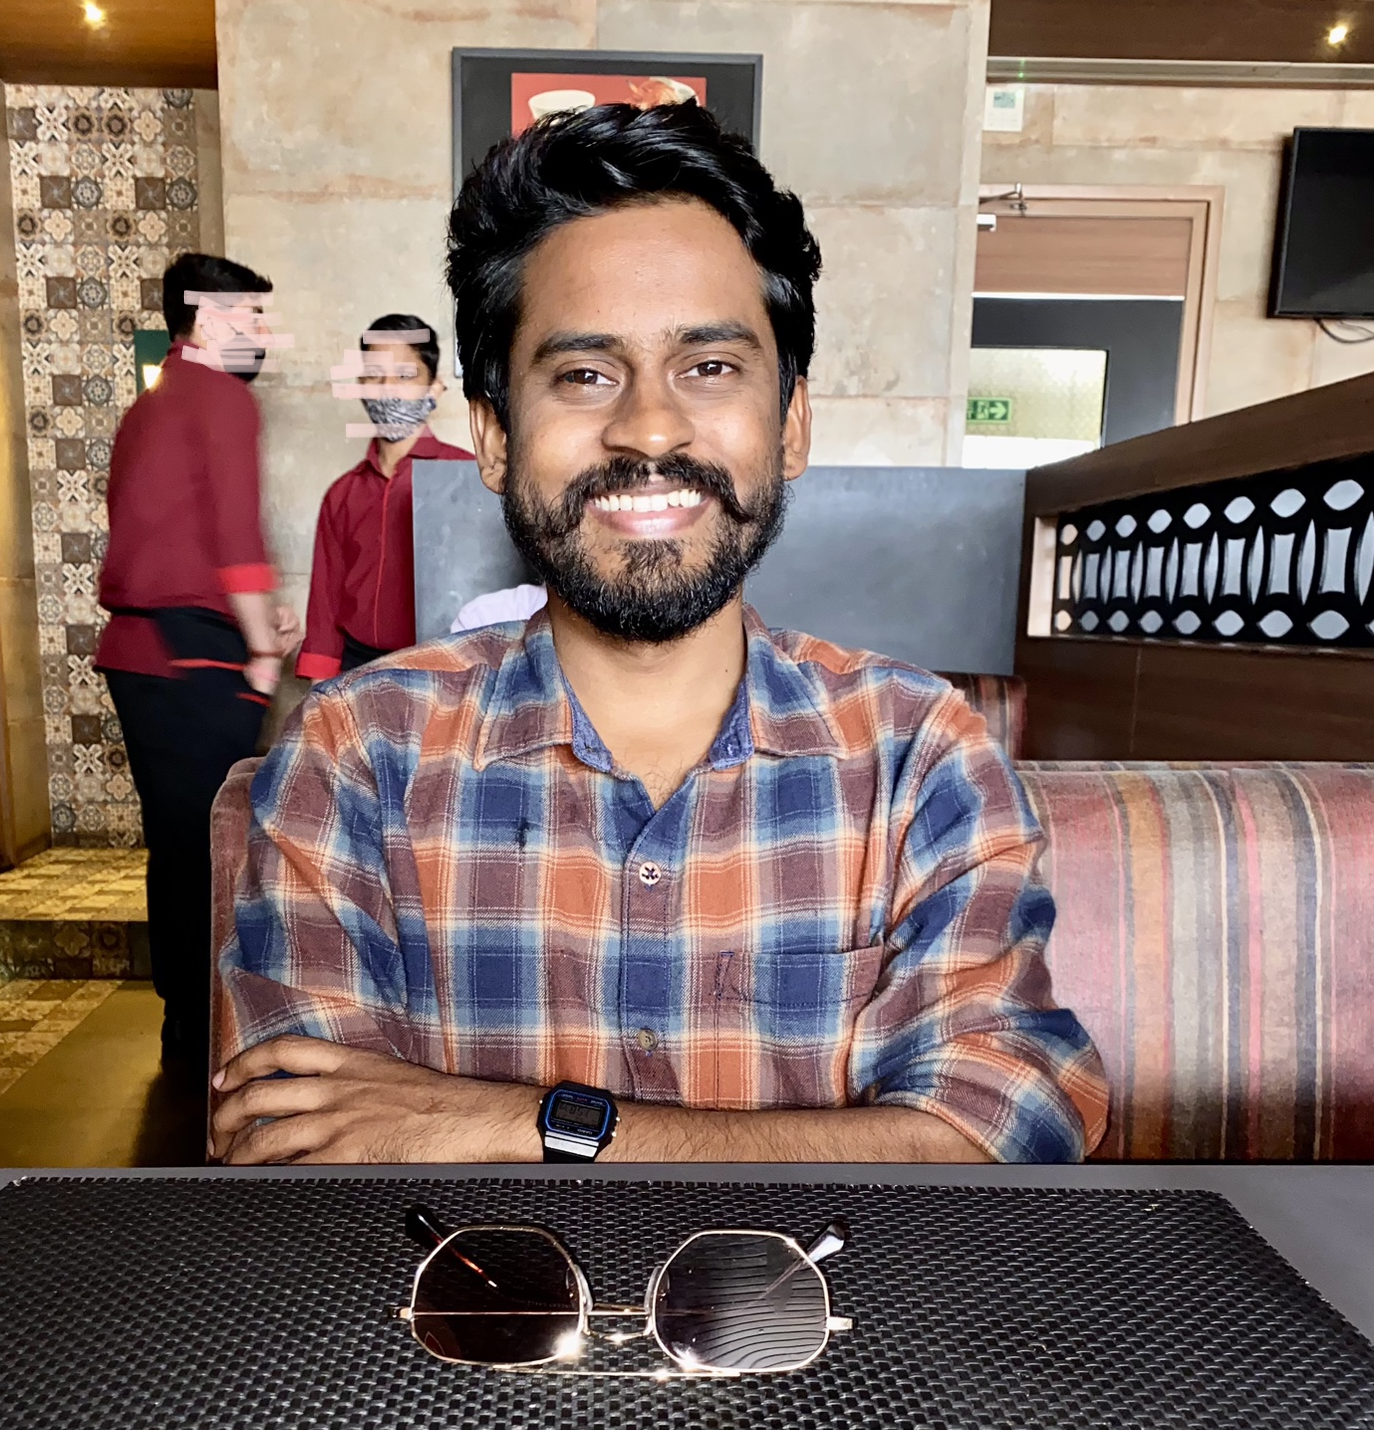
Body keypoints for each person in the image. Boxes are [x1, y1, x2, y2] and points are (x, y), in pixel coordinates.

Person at [212, 103, 1107, 1167]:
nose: (648, 427)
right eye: (584, 375)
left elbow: (1005, 1127)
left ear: (791, 424)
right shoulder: (356, 753)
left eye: (710, 367)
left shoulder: (918, 752)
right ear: (494, 437)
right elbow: (299, 1149)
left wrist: (520, 1123)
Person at [95, 250, 301, 1074]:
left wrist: (251, 617)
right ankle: (214, 1031)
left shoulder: (150, 403)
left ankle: (183, 1021)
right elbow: (234, 534)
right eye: (252, 317)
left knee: (177, 845)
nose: (262, 334)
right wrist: (262, 647)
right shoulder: (220, 396)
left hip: (143, 654)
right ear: (210, 318)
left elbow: (164, 533)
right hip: (193, 658)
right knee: (220, 846)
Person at [295, 313, 473, 681]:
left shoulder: (468, 478)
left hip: (442, 671)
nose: (387, 389)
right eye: (374, 376)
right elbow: (325, 604)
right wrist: (320, 686)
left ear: (434, 388)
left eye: (405, 376)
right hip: (357, 670)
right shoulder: (343, 493)